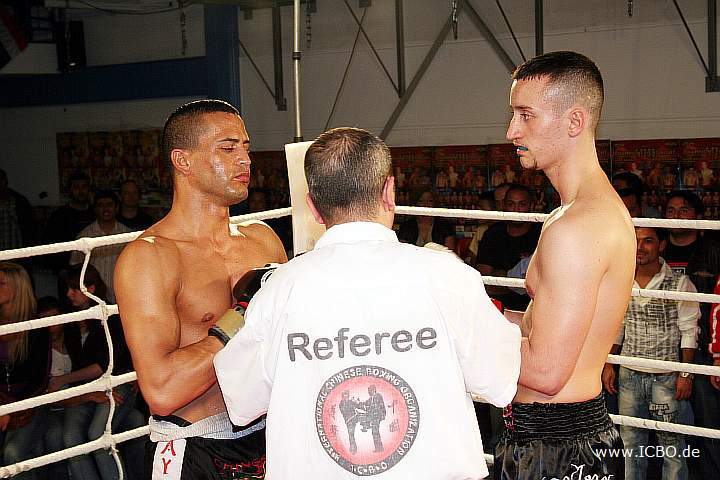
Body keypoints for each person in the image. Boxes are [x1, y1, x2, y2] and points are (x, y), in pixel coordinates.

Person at [214, 127, 521, 479]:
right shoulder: (447, 276)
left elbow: (242, 399)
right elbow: (499, 379)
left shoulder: (277, 290)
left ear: (313, 206)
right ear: (390, 192)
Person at [114, 99, 287, 479]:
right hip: (195, 446)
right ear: (183, 161)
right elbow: (161, 391)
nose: (245, 160)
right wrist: (240, 318)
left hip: (271, 435)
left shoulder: (263, 241)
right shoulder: (150, 258)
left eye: (245, 147)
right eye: (227, 148)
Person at [495, 51, 636, 479]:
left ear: (574, 122)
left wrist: (456, 324)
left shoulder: (579, 226)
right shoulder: (571, 214)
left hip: (556, 446)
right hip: (558, 437)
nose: (511, 131)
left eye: (526, 115)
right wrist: (494, 314)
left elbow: (546, 371)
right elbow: (549, 328)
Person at [602, 226, 699, 480]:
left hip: (666, 376)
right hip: (629, 375)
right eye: (635, 241)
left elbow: (690, 332)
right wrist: (609, 363)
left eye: (648, 241)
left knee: (673, 447)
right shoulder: (622, 279)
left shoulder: (680, 283)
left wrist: (686, 375)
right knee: (630, 446)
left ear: (661, 245)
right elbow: (618, 326)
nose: (640, 247)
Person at [48, 265, 136, 480]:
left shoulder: (111, 315)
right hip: (87, 388)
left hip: (117, 383)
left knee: (98, 435)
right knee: (69, 438)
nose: (69, 294)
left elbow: (106, 365)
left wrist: (63, 380)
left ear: (92, 288)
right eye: (67, 289)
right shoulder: (69, 320)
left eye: (74, 289)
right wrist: (83, 391)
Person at [0, 262, 49, 480]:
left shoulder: (36, 327)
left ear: (17, 288)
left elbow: (40, 378)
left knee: (13, 453)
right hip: (2, 404)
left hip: (30, 403)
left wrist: (13, 408)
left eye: (0, 284)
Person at [474, 183, 540, 310]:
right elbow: (486, 282)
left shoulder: (542, 232)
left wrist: (503, 277)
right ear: (504, 205)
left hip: (534, 309)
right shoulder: (493, 233)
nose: (516, 209)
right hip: (499, 310)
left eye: (522, 204)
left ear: (531, 206)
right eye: (511, 204)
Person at [69, 190, 132, 304]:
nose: (105, 209)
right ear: (95, 209)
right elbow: (75, 269)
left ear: (117, 208)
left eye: (109, 205)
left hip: (123, 297)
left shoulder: (128, 235)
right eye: (101, 205)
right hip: (93, 299)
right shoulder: (84, 236)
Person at [41, 171, 95, 274]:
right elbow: (50, 244)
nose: (80, 191)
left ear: (89, 189)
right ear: (70, 190)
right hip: (66, 271)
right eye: (76, 187)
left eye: (84, 187)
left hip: (93, 268)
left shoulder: (95, 213)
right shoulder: (59, 215)